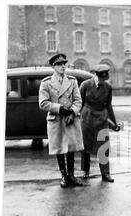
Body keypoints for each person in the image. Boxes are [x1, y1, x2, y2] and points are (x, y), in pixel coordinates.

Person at [39, 53, 84, 188]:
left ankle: (71, 175)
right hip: (56, 119)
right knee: (59, 148)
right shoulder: (46, 83)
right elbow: (43, 103)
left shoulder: (72, 81)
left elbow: (78, 100)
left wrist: (73, 112)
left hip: (70, 119)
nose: (63, 66)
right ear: (53, 66)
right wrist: (60, 109)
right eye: (59, 64)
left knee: (71, 148)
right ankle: (63, 175)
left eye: (64, 63)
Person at [79, 64, 120, 182]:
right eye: (101, 79)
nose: (103, 81)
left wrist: (114, 123)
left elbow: (109, 106)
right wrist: (77, 116)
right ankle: (85, 171)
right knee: (85, 146)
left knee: (104, 146)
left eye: (105, 79)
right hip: (87, 118)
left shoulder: (108, 87)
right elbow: (79, 103)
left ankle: (105, 173)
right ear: (96, 76)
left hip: (101, 119)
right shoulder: (85, 85)